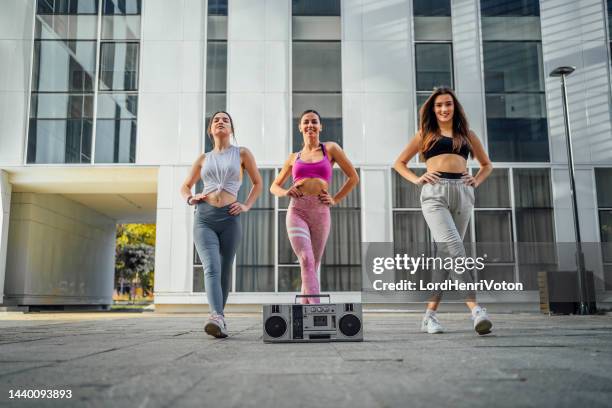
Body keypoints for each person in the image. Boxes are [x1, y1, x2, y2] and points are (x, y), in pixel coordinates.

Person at [393, 87, 494, 335]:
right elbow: (399, 163)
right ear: (433, 109)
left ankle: (429, 316)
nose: (444, 109)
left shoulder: (467, 135)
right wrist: (417, 179)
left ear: (454, 107)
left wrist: (476, 181)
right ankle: (476, 309)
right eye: (438, 105)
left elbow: (486, 164)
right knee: (455, 246)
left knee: (445, 257)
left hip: (463, 192)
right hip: (434, 194)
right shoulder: (424, 134)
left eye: (448, 104)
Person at [180, 111, 262, 338]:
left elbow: (257, 183)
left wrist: (246, 205)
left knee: (225, 269)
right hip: (204, 217)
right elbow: (185, 186)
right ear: (210, 129)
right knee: (212, 267)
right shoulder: (203, 158)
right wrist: (190, 197)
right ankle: (216, 315)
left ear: (231, 129)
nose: (220, 122)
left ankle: (220, 318)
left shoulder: (242, 153)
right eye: (216, 120)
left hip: (230, 218)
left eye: (225, 120)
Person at [270, 110, 359, 304]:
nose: (310, 125)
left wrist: (335, 199)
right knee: (306, 260)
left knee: (312, 264)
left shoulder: (331, 149)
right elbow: (273, 186)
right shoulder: (294, 157)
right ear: (300, 127)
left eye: (314, 122)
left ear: (320, 127)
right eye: (306, 122)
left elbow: (353, 177)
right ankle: (317, 311)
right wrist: (285, 192)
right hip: (297, 210)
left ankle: (303, 314)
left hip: (320, 210)